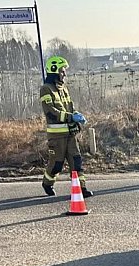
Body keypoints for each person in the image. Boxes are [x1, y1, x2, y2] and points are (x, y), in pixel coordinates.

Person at [39, 55, 92, 198]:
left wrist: (76, 115)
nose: (65, 74)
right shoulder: (46, 89)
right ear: (54, 70)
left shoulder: (64, 89)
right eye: (62, 71)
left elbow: (70, 107)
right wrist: (70, 117)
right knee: (56, 164)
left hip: (70, 134)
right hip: (57, 136)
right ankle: (47, 183)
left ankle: (82, 188)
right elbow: (51, 112)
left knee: (76, 161)